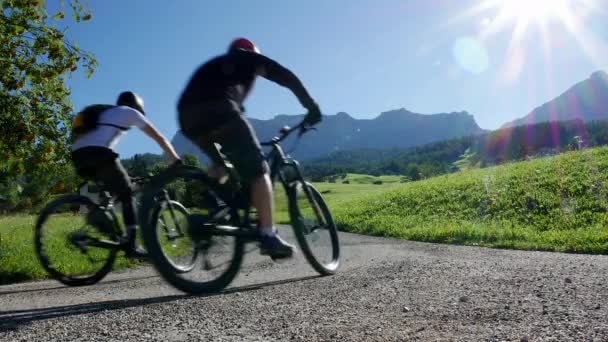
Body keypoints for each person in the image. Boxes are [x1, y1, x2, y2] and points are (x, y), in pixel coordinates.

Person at [177, 37, 322, 259]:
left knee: (221, 163)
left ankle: (212, 204)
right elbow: (285, 76)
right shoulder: (247, 58)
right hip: (220, 110)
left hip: (187, 117)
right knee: (259, 170)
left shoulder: (220, 67)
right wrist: (310, 105)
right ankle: (268, 235)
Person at [71, 91, 181, 258]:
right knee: (127, 194)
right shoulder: (130, 112)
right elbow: (158, 137)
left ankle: (101, 223)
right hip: (99, 154)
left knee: (115, 192)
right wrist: (176, 160)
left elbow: (113, 164)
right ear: (136, 106)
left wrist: (128, 176)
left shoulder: (107, 114)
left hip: (79, 156)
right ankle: (131, 245)